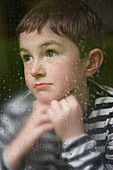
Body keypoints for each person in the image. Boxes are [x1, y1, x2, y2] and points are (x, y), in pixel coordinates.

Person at [0, 0, 113, 169]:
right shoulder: (16, 113)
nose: (34, 70)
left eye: (50, 52)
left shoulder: (110, 113)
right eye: (27, 57)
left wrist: (74, 139)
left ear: (90, 63)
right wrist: (19, 144)